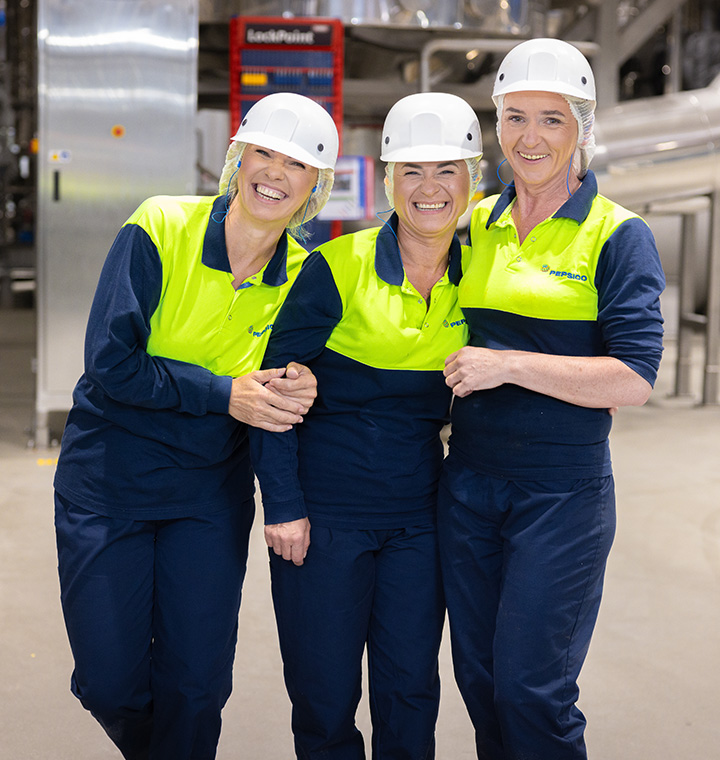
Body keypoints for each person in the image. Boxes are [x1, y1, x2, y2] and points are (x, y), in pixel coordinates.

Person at [52, 92, 338, 760]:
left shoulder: (304, 277)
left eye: (295, 164)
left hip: (209, 496)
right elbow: (110, 364)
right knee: (109, 681)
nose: (275, 173)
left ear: (314, 186)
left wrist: (306, 385)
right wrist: (224, 394)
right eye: (263, 153)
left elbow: (287, 392)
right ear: (237, 161)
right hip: (109, 482)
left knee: (197, 683)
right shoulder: (160, 226)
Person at [437, 38, 666, 760]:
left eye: (552, 119)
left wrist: (508, 365)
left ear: (583, 130)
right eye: (515, 117)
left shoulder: (617, 235)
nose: (530, 137)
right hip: (468, 483)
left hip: (561, 493)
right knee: (478, 679)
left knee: (531, 688)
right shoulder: (471, 225)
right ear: (496, 125)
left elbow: (633, 376)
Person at [249, 92, 483, 758]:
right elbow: (272, 391)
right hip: (324, 519)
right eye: (411, 170)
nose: (430, 188)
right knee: (323, 694)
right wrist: (284, 507)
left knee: (411, 687)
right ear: (386, 180)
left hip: (419, 519)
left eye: (447, 170)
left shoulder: (482, 281)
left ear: (473, 181)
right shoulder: (337, 267)